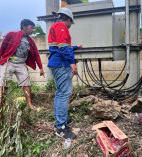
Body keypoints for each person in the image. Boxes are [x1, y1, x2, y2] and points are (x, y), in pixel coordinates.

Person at [48, 7, 82, 140]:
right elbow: (62, 46)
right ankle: (61, 127)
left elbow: (59, 46)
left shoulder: (55, 26)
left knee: (60, 93)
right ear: (68, 19)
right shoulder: (61, 26)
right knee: (64, 94)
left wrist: (75, 48)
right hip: (62, 64)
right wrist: (72, 63)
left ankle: (60, 118)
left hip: (56, 63)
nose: (70, 26)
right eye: (70, 23)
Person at [0, 19, 44, 110]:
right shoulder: (11, 34)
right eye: (31, 28)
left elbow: (36, 54)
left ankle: (29, 104)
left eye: (33, 28)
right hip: (8, 62)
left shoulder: (30, 41)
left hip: (21, 64)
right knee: (4, 84)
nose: (32, 30)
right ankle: (2, 105)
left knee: (26, 84)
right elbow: (2, 47)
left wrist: (41, 67)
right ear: (23, 26)